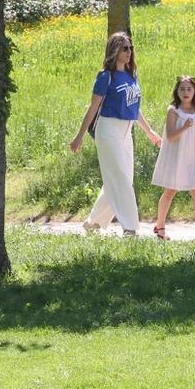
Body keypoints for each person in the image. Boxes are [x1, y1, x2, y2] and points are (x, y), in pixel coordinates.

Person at [69, 31, 162, 236]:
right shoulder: (105, 77)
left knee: (122, 179)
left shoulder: (131, 76)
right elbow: (92, 108)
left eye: (130, 48)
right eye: (124, 48)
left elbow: (135, 109)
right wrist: (79, 136)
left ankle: (93, 222)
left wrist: (149, 131)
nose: (129, 52)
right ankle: (130, 227)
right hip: (108, 130)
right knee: (119, 177)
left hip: (126, 131)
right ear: (114, 51)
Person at [150, 76, 195, 241]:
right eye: (182, 89)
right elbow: (170, 136)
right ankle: (159, 226)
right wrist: (184, 127)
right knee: (170, 191)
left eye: (189, 89)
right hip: (177, 156)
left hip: (193, 157)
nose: (185, 92)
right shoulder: (173, 110)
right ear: (177, 91)